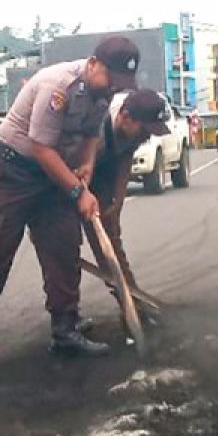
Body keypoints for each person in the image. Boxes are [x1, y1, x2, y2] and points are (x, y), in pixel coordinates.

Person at [0, 36, 140, 370]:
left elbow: (90, 135)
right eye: (111, 78)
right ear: (94, 63)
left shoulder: (102, 92)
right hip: (14, 172)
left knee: (63, 246)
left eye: (120, 83)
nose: (114, 87)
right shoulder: (58, 86)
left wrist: (86, 165)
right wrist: (78, 192)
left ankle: (65, 329)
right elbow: (41, 148)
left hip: (53, 177)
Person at [81, 89, 172, 334]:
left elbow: (124, 160)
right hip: (63, 177)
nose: (146, 137)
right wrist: (81, 195)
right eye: (145, 129)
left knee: (110, 246)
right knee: (62, 247)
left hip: (100, 177)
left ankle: (133, 306)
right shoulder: (96, 126)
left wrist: (118, 199)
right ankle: (65, 322)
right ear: (126, 117)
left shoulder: (132, 131)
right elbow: (68, 164)